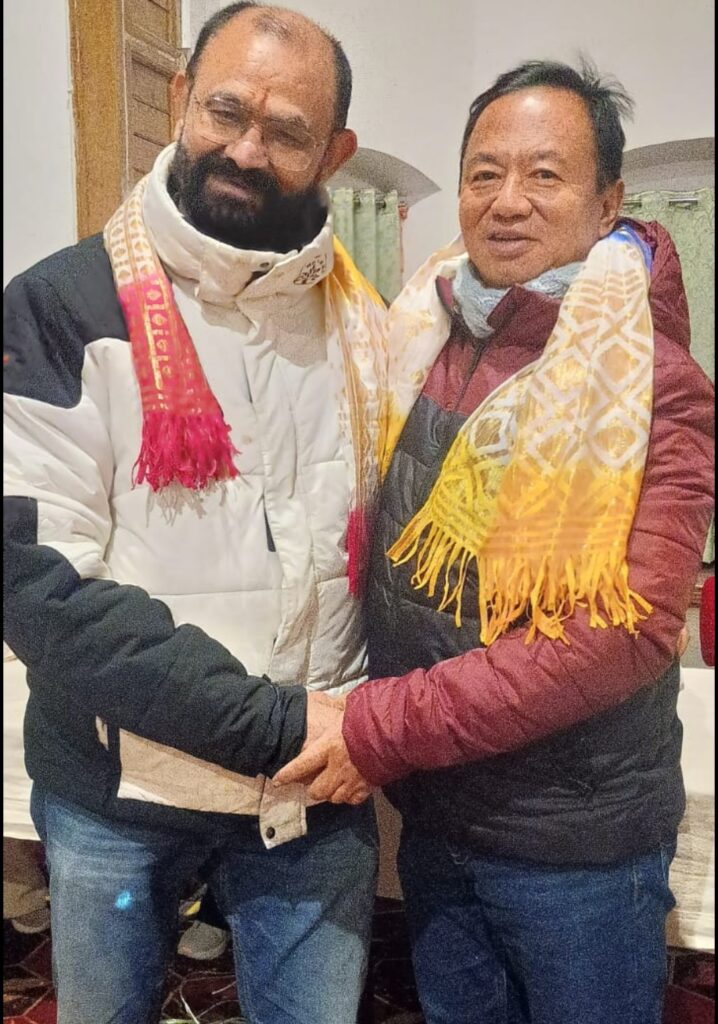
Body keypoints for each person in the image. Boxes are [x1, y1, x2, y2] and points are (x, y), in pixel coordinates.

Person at [274, 59, 715, 1023]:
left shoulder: (656, 381)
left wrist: (381, 729)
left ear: (608, 203)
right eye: (484, 173)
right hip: (437, 809)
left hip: (574, 841)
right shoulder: (422, 336)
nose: (507, 201)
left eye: (545, 175)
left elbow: (626, 632)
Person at [3, 4, 387, 1023]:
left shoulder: (367, 325)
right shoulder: (61, 306)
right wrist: (276, 721)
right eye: (225, 111)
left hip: (312, 792)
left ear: (335, 153)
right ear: (180, 100)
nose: (246, 149)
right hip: (119, 790)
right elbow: (39, 588)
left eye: (287, 132)